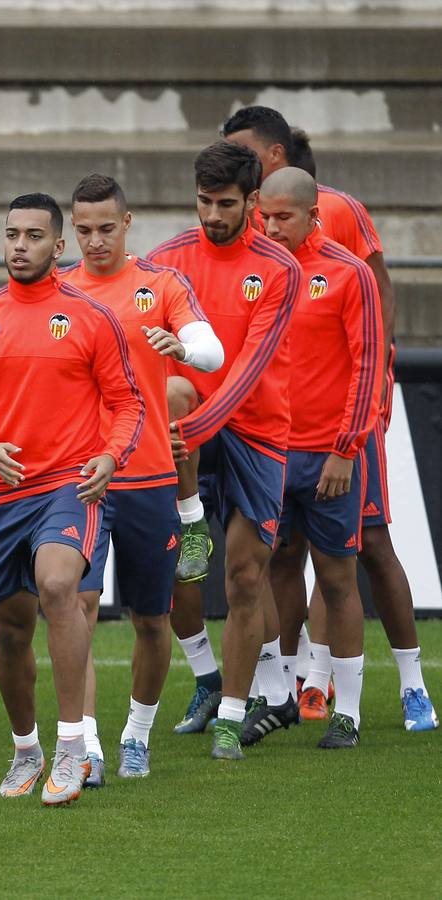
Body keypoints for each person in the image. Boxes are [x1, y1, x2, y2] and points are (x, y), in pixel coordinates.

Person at [224, 109, 434, 731]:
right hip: (274, 441)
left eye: (245, 154)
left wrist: (361, 422)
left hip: (343, 430)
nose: (270, 222)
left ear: (275, 155)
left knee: (367, 548)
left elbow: (374, 314)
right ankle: (292, 687)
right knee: (280, 557)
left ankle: (410, 684)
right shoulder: (249, 243)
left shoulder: (340, 224)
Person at [0, 193, 143, 806]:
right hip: (2, 491)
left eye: (34, 236)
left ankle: (72, 746)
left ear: (57, 247)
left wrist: (111, 457)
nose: (19, 245)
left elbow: (126, 404)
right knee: (10, 630)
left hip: (69, 483)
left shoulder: (90, 316)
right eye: (12, 234)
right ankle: (26, 750)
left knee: (59, 587)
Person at [60, 174, 223, 782]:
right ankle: (90, 745)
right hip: (82, 480)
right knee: (75, 605)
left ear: (128, 224)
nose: (95, 240)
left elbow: (212, 355)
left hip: (150, 474)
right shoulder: (59, 291)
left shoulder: (161, 284)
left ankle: (136, 734)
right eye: (83, 230)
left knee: (152, 620)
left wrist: (180, 349)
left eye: (106, 228)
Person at [148, 141, 303, 758]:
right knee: (174, 574)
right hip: (185, 428)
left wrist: (190, 430)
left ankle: (232, 718)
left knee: (243, 575)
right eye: (205, 202)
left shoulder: (280, 269)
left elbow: (246, 371)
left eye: (226, 204)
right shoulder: (166, 260)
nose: (213, 215)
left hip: (255, 428)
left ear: (253, 204)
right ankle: (213, 680)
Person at [258, 168, 384, 748]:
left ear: (314, 214)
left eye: (284, 216)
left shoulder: (348, 273)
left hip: (328, 457)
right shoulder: (256, 270)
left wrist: (345, 449)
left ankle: (349, 711)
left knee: (336, 577)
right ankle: (282, 693)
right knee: (275, 567)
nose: (272, 226)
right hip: (268, 454)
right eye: (266, 215)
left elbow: (367, 365)